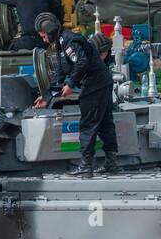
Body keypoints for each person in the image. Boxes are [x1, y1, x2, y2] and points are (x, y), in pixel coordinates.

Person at [34, 13, 119, 176]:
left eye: (44, 35)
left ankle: (86, 165)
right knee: (104, 123)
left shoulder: (69, 41)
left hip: (95, 85)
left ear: (50, 31)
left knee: (88, 124)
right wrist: (46, 96)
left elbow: (82, 62)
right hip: (100, 83)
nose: (44, 39)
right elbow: (60, 72)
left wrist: (71, 84)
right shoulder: (61, 43)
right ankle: (111, 162)